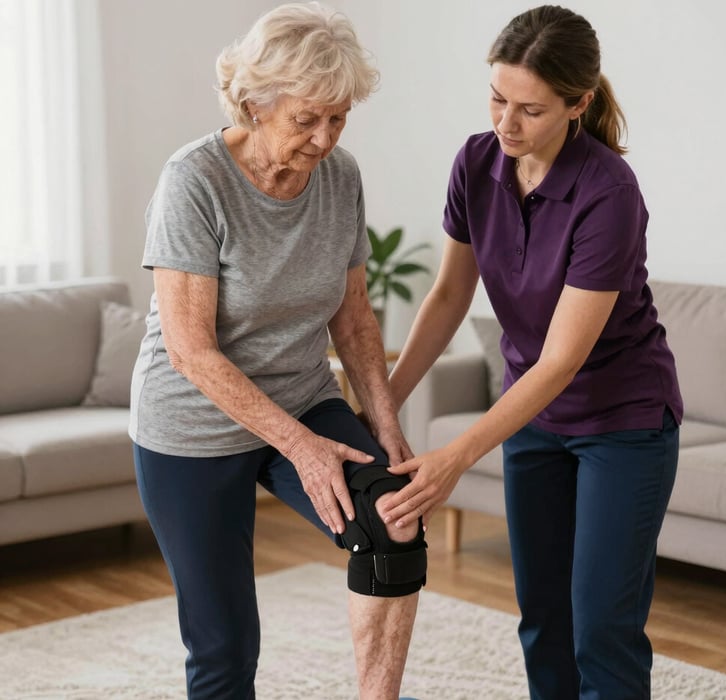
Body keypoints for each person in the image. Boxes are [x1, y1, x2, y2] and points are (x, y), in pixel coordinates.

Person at [382, 5, 683, 699]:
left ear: (579, 103)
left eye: (530, 109)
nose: (506, 124)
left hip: (622, 422)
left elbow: (562, 360)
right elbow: (450, 296)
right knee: (542, 618)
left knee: (601, 627)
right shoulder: (477, 161)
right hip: (535, 420)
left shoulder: (607, 191)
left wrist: (454, 457)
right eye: (496, 98)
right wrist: (386, 399)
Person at [128, 4, 426, 699]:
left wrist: (386, 428)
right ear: (256, 103)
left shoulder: (340, 177)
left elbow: (352, 321)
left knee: (393, 524)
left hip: (301, 395)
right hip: (194, 425)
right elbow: (191, 350)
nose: (324, 138)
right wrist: (302, 447)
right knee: (225, 646)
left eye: (339, 118)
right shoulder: (194, 181)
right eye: (306, 119)